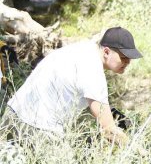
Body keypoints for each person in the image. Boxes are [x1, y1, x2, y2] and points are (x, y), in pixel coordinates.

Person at [2, 26, 142, 145]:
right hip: (38, 129)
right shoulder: (93, 73)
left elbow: (77, 93)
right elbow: (109, 131)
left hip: (12, 115)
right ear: (106, 51)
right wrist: (141, 154)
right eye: (123, 57)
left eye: (130, 58)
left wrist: (112, 113)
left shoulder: (82, 49)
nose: (128, 62)